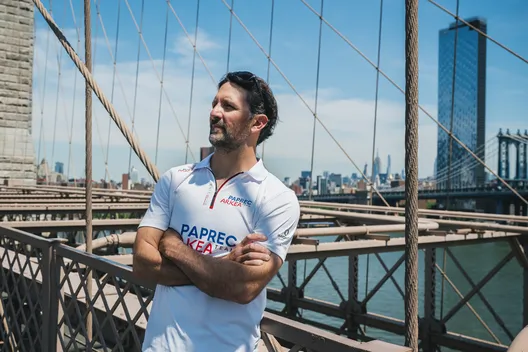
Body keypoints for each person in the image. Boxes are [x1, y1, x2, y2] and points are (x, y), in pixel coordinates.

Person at [133, 71, 301, 352]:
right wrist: (223, 265)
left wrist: (173, 246)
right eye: (214, 103)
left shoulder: (278, 199)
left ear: (257, 123)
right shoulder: (176, 180)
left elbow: (242, 288)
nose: (214, 112)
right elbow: (142, 263)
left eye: (228, 106)